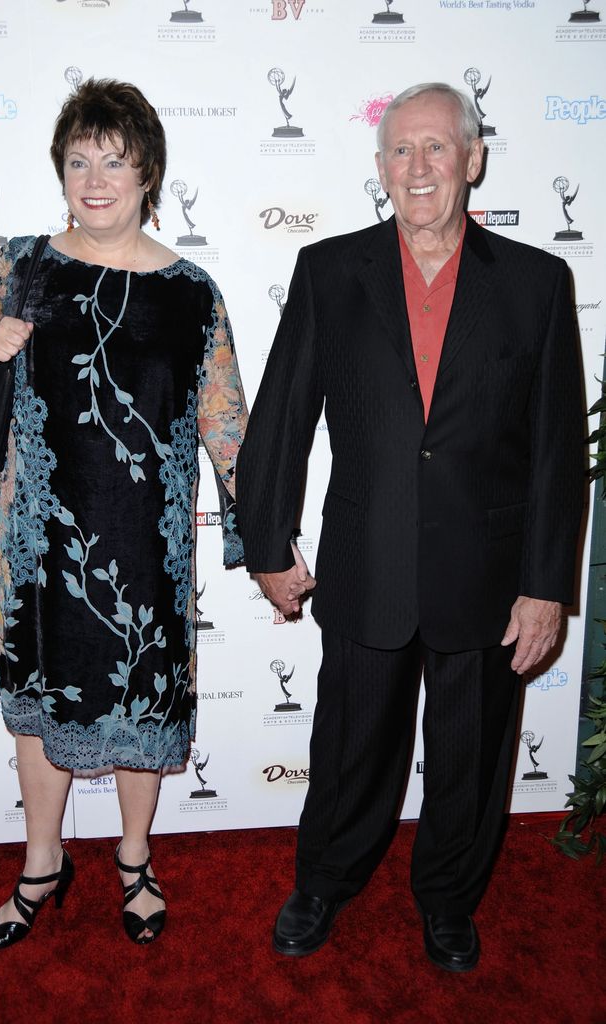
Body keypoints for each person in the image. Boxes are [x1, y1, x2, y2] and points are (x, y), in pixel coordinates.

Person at [236, 82, 583, 972]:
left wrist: (547, 584)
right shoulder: (328, 270)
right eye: (399, 150)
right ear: (380, 166)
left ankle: (449, 901)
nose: (417, 167)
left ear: (474, 160)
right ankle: (323, 883)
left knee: (470, 762)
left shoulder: (540, 284)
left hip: (489, 572)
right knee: (350, 750)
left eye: (436, 148)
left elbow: (553, 451)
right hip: (366, 560)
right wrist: (267, 547)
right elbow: (280, 418)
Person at [0, 78, 247, 950]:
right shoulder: (24, 264)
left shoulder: (194, 294)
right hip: (37, 542)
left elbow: (227, 425)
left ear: (149, 171)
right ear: (60, 171)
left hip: (146, 549)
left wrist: (266, 543)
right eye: (80, 160)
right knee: (40, 702)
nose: (96, 178)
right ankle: (41, 862)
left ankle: (135, 859)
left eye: (115, 160)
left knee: (142, 707)